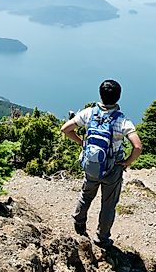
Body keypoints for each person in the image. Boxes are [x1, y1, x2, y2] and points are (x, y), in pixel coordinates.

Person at [61, 79, 142, 248]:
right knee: (108, 204)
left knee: (86, 194)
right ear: (118, 97)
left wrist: (82, 142)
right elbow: (137, 147)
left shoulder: (89, 113)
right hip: (112, 169)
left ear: (100, 95)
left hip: (92, 166)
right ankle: (102, 237)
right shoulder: (122, 120)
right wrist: (126, 162)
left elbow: (66, 129)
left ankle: (79, 221)